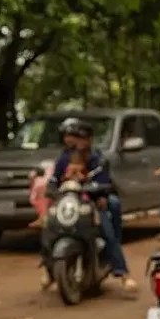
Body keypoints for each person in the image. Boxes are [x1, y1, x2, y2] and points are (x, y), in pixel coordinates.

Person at [47, 117, 136, 292]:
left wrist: (99, 193)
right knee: (49, 228)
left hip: (91, 204)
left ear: (89, 140)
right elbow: (53, 180)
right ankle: (48, 269)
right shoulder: (63, 159)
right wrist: (51, 188)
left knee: (107, 231)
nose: (78, 142)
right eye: (75, 137)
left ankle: (122, 273)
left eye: (82, 138)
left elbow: (105, 182)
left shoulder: (99, 160)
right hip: (69, 204)